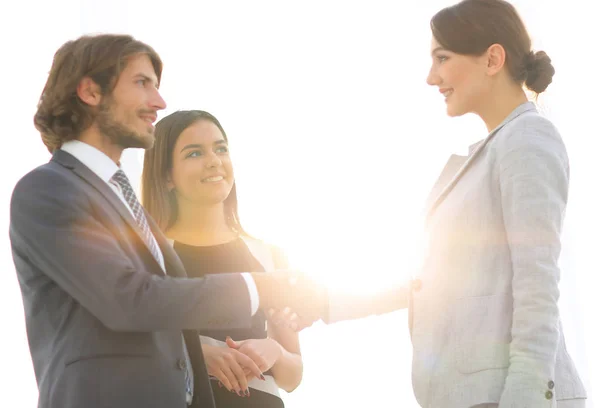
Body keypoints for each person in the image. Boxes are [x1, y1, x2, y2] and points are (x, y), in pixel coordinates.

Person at [9, 34, 324, 408]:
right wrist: (261, 288)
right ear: (91, 92)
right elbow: (129, 300)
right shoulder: (48, 189)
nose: (158, 102)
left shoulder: (125, 207)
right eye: (142, 83)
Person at [310, 0, 589, 407]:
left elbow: (537, 286)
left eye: (442, 58)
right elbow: (431, 280)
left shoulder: (527, 138)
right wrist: (324, 303)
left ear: (493, 58)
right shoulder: (495, 149)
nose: (431, 77)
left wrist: (523, 399)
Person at [141, 110, 302, 408]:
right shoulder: (147, 257)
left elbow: (293, 376)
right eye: (194, 153)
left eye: (220, 148)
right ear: (166, 176)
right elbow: (126, 356)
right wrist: (195, 354)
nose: (214, 160)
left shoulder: (267, 256)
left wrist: (274, 351)